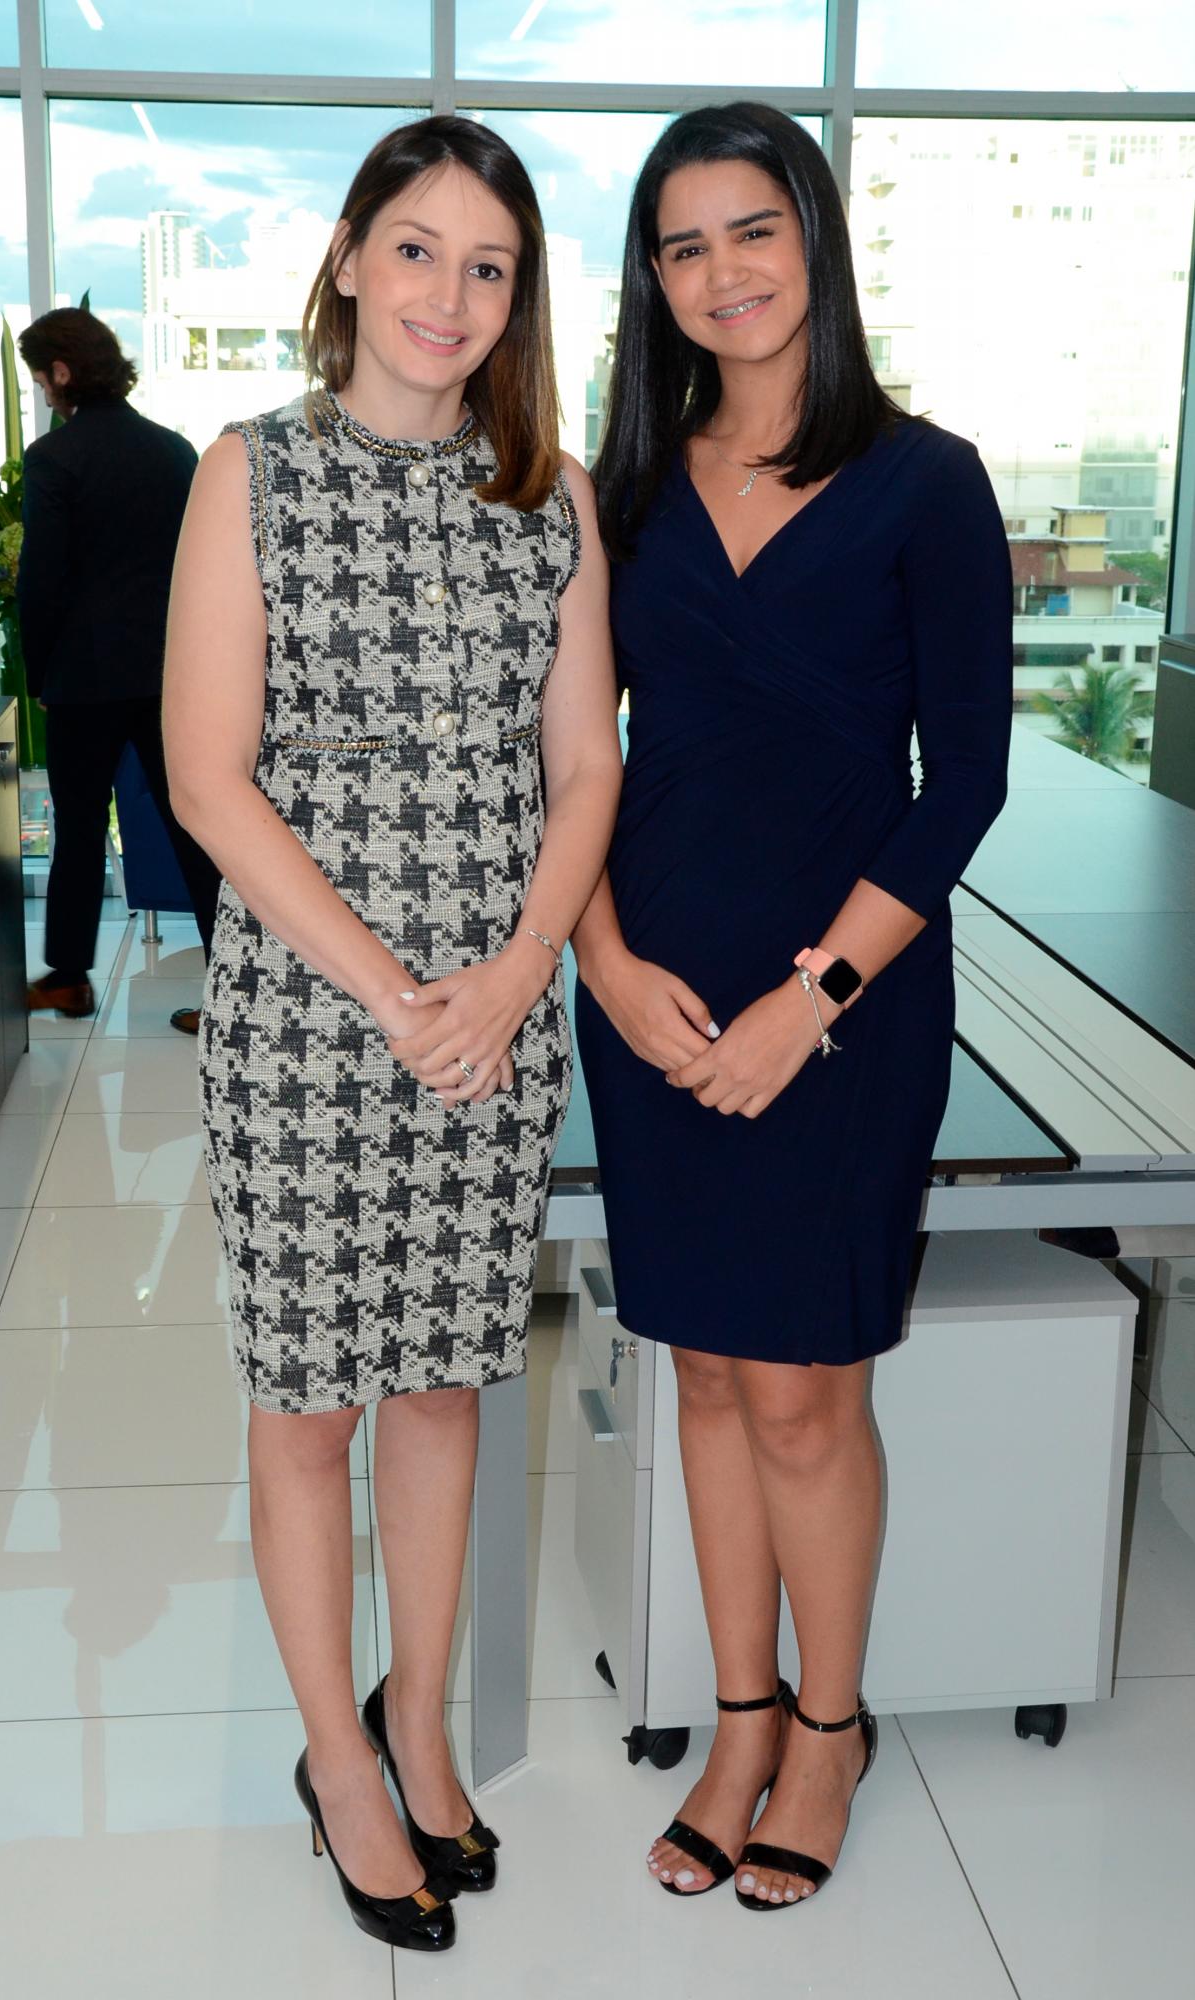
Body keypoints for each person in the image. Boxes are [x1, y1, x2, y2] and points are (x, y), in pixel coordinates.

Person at [163, 117, 619, 1951]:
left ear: (518, 300)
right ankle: (334, 1768)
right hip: (305, 1015)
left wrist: (512, 974)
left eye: (488, 265)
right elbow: (208, 778)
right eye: (417, 250)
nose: (449, 294)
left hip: (496, 1023)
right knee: (307, 1411)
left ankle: (417, 1728)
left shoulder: (553, 493)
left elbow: (585, 765)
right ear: (351, 259)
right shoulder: (248, 473)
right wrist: (393, 988)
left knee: (444, 1386)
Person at [575, 102, 1011, 1911]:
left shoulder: (930, 479)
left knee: (808, 1399)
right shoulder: (623, 489)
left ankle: (828, 1728)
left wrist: (809, 998)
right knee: (700, 1370)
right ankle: (740, 1714)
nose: (723, 273)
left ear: (815, 243)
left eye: (753, 231)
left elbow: (962, 784)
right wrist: (598, 956)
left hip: (842, 1000)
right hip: (653, 991)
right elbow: (562, 761)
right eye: (683, 246)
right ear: (652, 283)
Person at [16, 307, 219, 1031]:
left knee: (76, 829)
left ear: (62, 373)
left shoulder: (53, 459)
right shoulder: (174, 451)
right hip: (173, 675)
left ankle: (68, 980)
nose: (42, 391)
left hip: (84, 679)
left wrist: (38, 676)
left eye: (40, 377)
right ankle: (236, 992)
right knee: (197, 826)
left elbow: (40, 582)